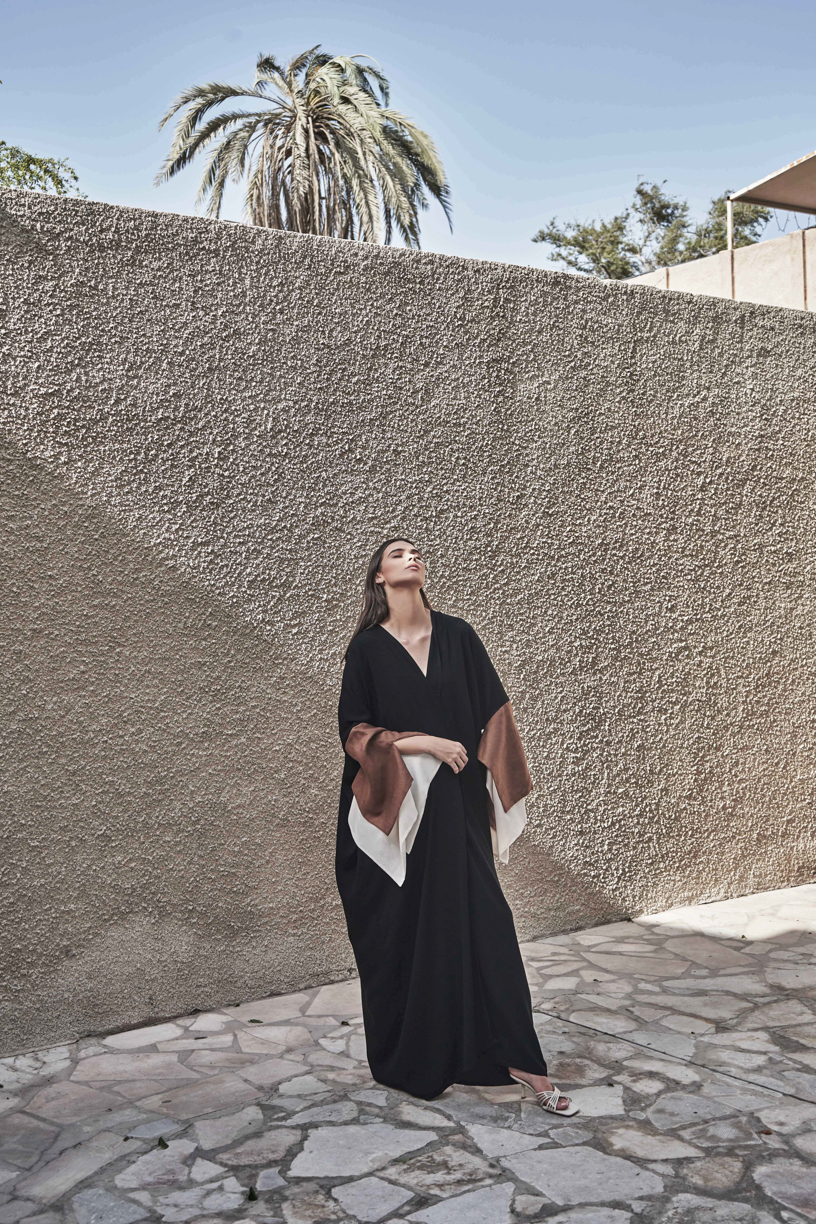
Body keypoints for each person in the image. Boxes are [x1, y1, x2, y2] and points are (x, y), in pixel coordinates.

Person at [334, 536, 577, 1113]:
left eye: (416, 552)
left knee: (486, 922)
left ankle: (521, 1059)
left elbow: (495, 714)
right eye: (397, 554)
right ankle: (415, 1054)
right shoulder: (366, 649)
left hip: (458, 806)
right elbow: (354, 732)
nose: (411, 557)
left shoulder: (459, 636)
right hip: (403, 813)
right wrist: (426, 742)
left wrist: (500, 783)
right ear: (378, 577)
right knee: (410, 931)